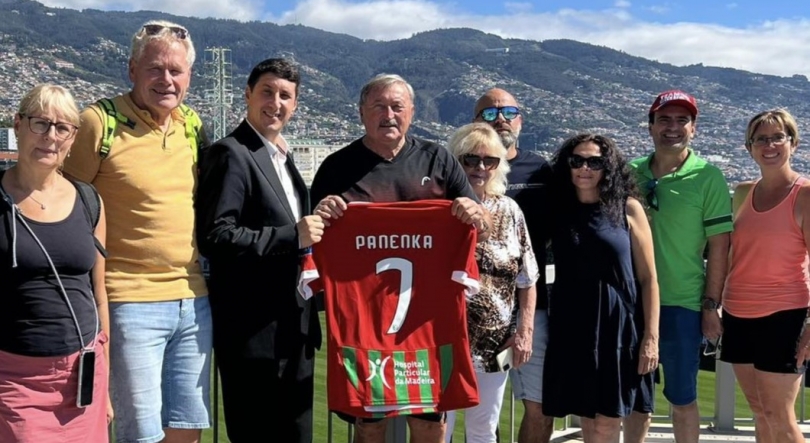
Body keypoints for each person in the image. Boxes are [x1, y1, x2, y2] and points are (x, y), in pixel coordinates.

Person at [310, 73, 492, 443]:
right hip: (364, 325)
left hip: (426, 325)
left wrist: (475, 215)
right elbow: (313, 235)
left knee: (429, 422)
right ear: (361, 112)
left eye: (397, 106)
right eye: (378, 106)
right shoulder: (336, 166)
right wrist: (321, 213)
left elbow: (482, 221)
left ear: (411, 112)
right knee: (369, 424)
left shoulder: (437, 158)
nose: (388, 114)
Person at [63, 20, 212, 443]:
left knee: (186, 429)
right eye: (155, 68)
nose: (166, 79)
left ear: (189, 77)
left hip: (194, 301)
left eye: (176, 71)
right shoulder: (99, 122)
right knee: (140, 435)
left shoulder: (192, 125)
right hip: (129, 302)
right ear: (132, 70)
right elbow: (68, 206)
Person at [196, 58, 324, 443]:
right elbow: (217, 236)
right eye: (267, 92)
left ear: (296, 104)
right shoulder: (230, 153)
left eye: (286, 95)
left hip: (295, 328)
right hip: (253, 333)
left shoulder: (282, 159)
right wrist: (292, 235)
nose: (276, 102)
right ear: (248, 95)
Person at [0, 84, 110, 442]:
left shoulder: (89, 200)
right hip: (16, 379)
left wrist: (104, 373)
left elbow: (99, 291)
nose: (50, 136)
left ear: (73, 137)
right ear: (17, 125)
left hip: (84, 374)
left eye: (63, 127)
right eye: (40, 123)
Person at [625, 90, 732, 443]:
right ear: (651, 126)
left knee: (682, 397)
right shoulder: (630, 173)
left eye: (681, 120)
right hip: (631, 302)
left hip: (682, 303)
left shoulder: (708, 177)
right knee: (636, 399)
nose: (673, 128)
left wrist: (711, 305)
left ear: (694, 128)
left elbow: (719, 246)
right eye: (664, 119)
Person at [542, 134, 658, 443]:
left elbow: (649, 278)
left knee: (608, 421)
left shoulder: (628, 208)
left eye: (595, 162)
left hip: (619, 326)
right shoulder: (558, 211)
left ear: (609, 167)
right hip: (573, 325)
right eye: (577, 160)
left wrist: (651, 337)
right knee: (589, 421)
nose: (585, 168)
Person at [443, 123, 539, 443]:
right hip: (440, 340)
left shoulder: (510, 210)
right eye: (470, 160)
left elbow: (527, 277)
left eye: (489, 161)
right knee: (439, 428)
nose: (480, 168)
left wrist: (524, 331)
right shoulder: (438, 209)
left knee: (484, 429)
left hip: (493, 344)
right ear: (455, 160)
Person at [720, 109, 810, 443]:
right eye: (761, 138)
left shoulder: (805, 195)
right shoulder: (743, 192)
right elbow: (732, 255)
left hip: (785, 314)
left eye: (777, 137)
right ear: (750, 147)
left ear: (793, 143)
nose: (769, 145)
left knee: (779, 417)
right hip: (738, 313)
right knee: (759, 413)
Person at [473, 88, 554, 443]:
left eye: (508, 111)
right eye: (489, 113)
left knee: (539, 406)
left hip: (529, 306)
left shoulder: (542, 169)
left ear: (521, 119)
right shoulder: (456, 169)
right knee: (472, 411)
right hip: (473, 309)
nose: (500, 119)